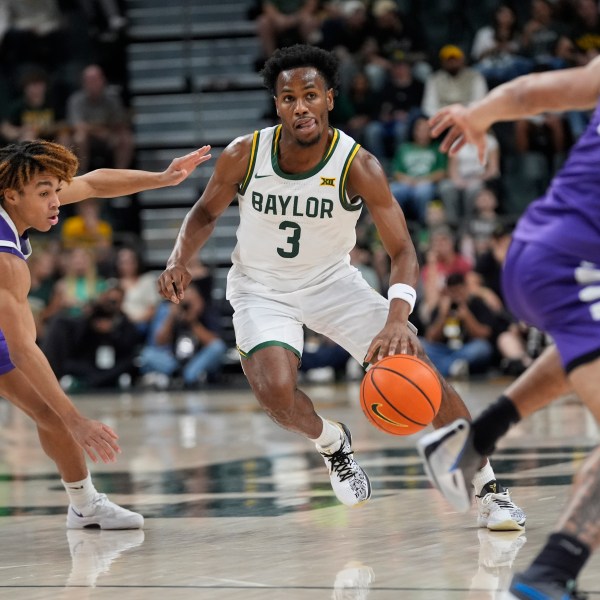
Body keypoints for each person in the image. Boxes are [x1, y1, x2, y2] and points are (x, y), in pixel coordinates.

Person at [157, 44, 525, 530]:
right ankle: (331, 441)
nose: (300, 106)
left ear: (329, 98)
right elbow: (204, 213)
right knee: (276, 395)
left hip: (333, 282)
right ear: (277, 105)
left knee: (422, 374)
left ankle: (488, 487)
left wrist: (398, 319)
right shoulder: (245, 154)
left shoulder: (358, 165)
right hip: (259, 287)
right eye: (288, 98)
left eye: (310, 95)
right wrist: (180, 257)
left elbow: (403, 252)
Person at [417, 54, 600, 598]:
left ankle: (475, 440)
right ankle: (550, 572)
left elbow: (532, 94)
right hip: (574, 265)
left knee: (583, 342)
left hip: (534, 250)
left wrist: (479, 114)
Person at [0, 139, 211, 529]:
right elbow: (24, 350)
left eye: (55, 191)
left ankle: (85, 507)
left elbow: (95, 184)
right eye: (44, 194)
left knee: (52, 414)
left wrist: (163, 178)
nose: (56, 202)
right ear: (11, 196)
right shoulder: (6, 261)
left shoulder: (20, 200)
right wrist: (79, 420)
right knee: (63, 417)